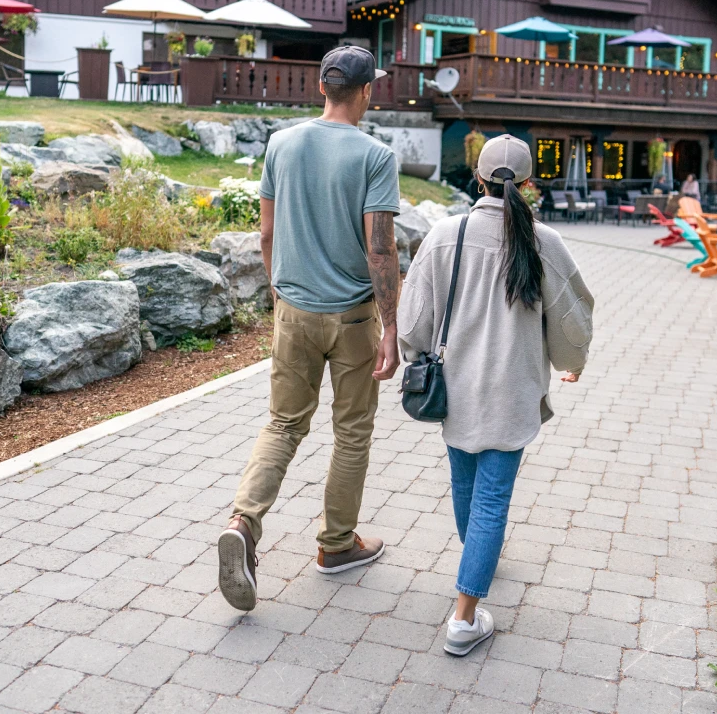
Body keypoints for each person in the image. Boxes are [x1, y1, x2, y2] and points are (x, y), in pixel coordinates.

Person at [217, 46, 401, 611]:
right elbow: (380, 248)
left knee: (283, 423)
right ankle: (336, 545)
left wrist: (280, 293)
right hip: (352, 319)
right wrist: (391, 327)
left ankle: (244, 522)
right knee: (351, 434)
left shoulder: (282, 143)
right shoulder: (376, 156)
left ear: (324, 88)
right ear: (367, 91)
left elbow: (267, 234)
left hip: (292, 312)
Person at [398, 134, 594, 656]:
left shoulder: (444, 235)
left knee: (466, 485)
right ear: (528, 185)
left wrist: (410, 351)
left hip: (455, 389)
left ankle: (476, 560)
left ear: (478, 179)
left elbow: (413, 321)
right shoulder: (544, 241)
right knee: (490, 500)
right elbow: (574, 319)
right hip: (513, 392)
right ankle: (464, 619)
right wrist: (571, 365)